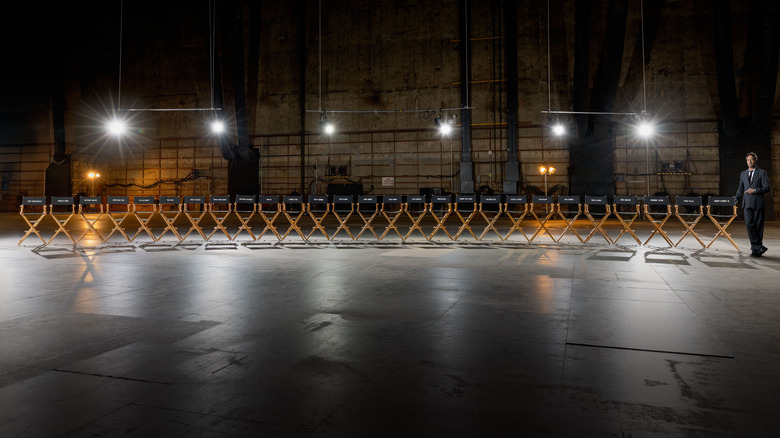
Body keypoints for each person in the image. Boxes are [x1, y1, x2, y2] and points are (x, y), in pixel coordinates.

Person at [735, 152, 771, 256]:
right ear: (746, 161)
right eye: (748, 160)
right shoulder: (743, 174)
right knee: (749, 224)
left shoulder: (762, 173)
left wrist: (755, 191)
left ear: (756, 160)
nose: (750, 161)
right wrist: (736, 198)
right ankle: (759, 247)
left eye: (752, 159)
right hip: (747, 203)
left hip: (758, 203)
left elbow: (767, 187)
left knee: (758, 226)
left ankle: (755, 250)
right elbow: (740, 188)